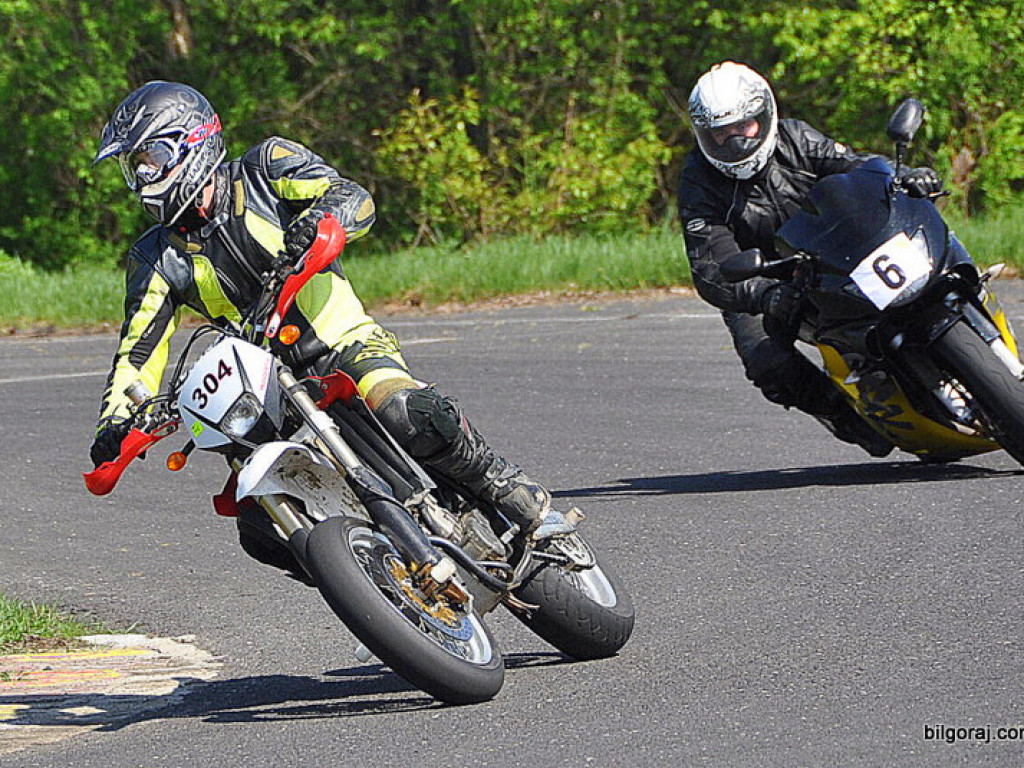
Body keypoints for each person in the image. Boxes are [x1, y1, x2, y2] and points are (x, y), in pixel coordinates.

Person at [89, 81, 573, 569]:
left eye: (150, 157)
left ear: (193, 140)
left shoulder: (265, 166)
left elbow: (352, 197)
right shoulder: (154, 257)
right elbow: (138, 351)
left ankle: (507, 489)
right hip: (262, 386)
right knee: (258, 525)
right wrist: (115, 423)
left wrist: (321, 218)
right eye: (136, 167)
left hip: (343, 341)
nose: (144, 176)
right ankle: (379, 585)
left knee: (406, 410)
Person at [676, 61, 944, 456]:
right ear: (704, 134)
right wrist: (765, 294)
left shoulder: (796, 138)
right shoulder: (697, 180)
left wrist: (902, 178)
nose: (734, 141)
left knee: (925, 266)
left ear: (764, 115)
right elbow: (711, 267)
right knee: (767, 361)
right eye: (720, 132)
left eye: (743, 127)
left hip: (837, 251)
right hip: (768, 279)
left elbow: (857, 167)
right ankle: (842, 414)